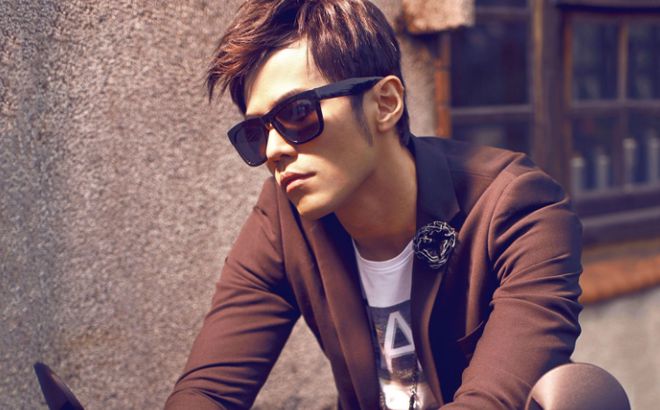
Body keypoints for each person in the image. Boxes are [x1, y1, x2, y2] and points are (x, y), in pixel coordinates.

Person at [165, 0, 583, 409]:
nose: (274, 150)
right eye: (258, 132)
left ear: (385, 103)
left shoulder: (519, 209)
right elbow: (208, 391)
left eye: (297, 112)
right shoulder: (283, 218)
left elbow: (492, 403)